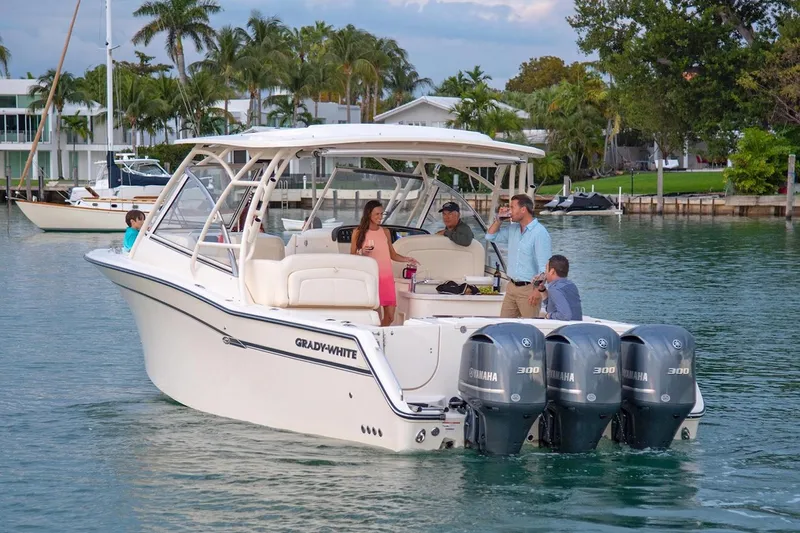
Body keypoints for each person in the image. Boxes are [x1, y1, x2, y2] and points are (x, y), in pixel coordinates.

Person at [350, 200, 418, 327]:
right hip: (372, 279)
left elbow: (392, 255)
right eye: (377, 214)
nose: (380, 217)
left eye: (382, 214)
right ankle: (377, 339)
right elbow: (352, 256)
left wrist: (407, 259)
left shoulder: (385, 231)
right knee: (375, 318)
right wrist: (362, 252)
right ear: (369, 214)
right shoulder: (358, 232)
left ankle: (380, 335)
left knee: (390, 316)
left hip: (387, 278)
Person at [485, 194, 552, 318]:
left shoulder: (540, 233)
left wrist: (537, 291)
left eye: (512, 207)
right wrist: (499, 219)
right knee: (504, 327)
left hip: (529, 289)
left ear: (523, 209)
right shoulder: (513, 229)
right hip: (511, 287)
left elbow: (545, 267)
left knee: (528, 329)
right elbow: (490, 237)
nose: (510, 211)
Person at [535, 255, 583, 321]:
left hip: (564, 329)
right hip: (576, 325)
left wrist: (549, 316)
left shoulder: (554, 289)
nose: (545, 273)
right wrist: (542, 289)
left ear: (552, 271)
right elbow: (552, 306)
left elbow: (565, 315)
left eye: (546, 269)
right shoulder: (571, 285)